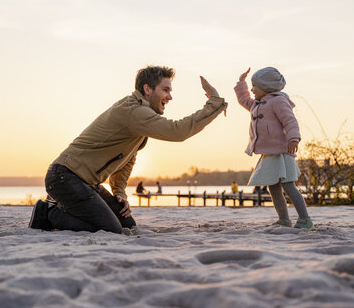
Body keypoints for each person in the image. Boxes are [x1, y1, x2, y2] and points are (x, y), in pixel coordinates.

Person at [28, 65, 227, 233]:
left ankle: (60, 207)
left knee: (127, 224)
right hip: (65, 177)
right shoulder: (134, 111)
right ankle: (49, 212)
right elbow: (178, 131)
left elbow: (127, 159)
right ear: (148, 89)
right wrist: (213, 104)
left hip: (86, 182)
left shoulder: (141, 115)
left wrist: (119, 192)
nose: (170, 97)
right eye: (165, 90)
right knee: (111, 230)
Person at [234, 67, 313, 229]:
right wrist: (241, 83)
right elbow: (244, 100)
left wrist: (293, 138)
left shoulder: (278, 101)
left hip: (282, 152)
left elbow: (290, 121)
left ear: (266, 86)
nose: (252, 89)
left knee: (289, 186)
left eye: (254, 86)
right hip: (268, 153)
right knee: (273, 187)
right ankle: (283, 219)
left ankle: (305, 219)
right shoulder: (257, 104)